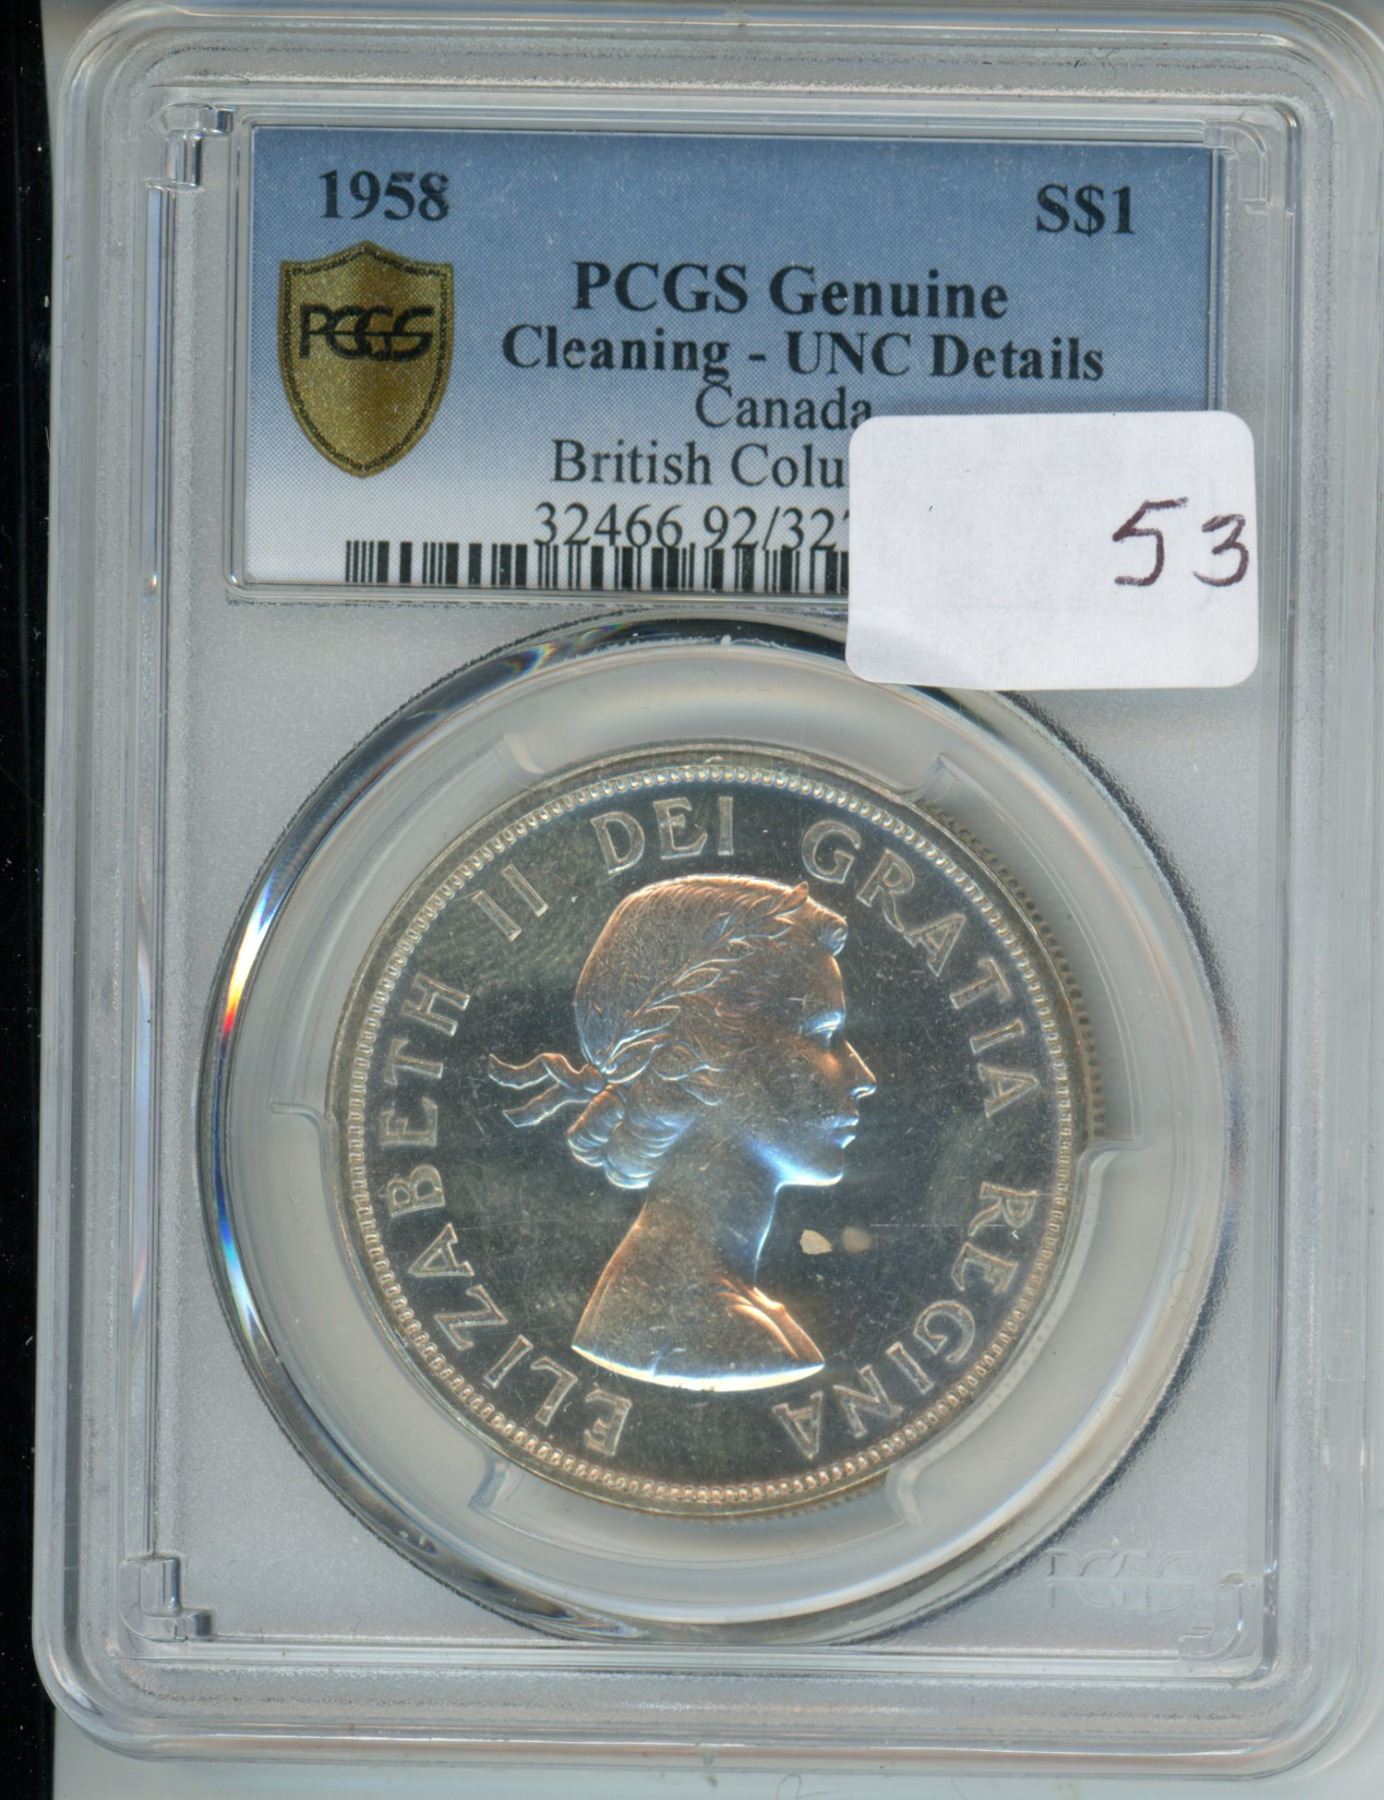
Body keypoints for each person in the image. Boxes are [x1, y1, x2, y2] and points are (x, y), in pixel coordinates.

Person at [489, 874, 876, 1393]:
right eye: (822, 1034)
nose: (864, 1077)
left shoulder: (708, 1307)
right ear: (698, 1059)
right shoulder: (711, 1327)